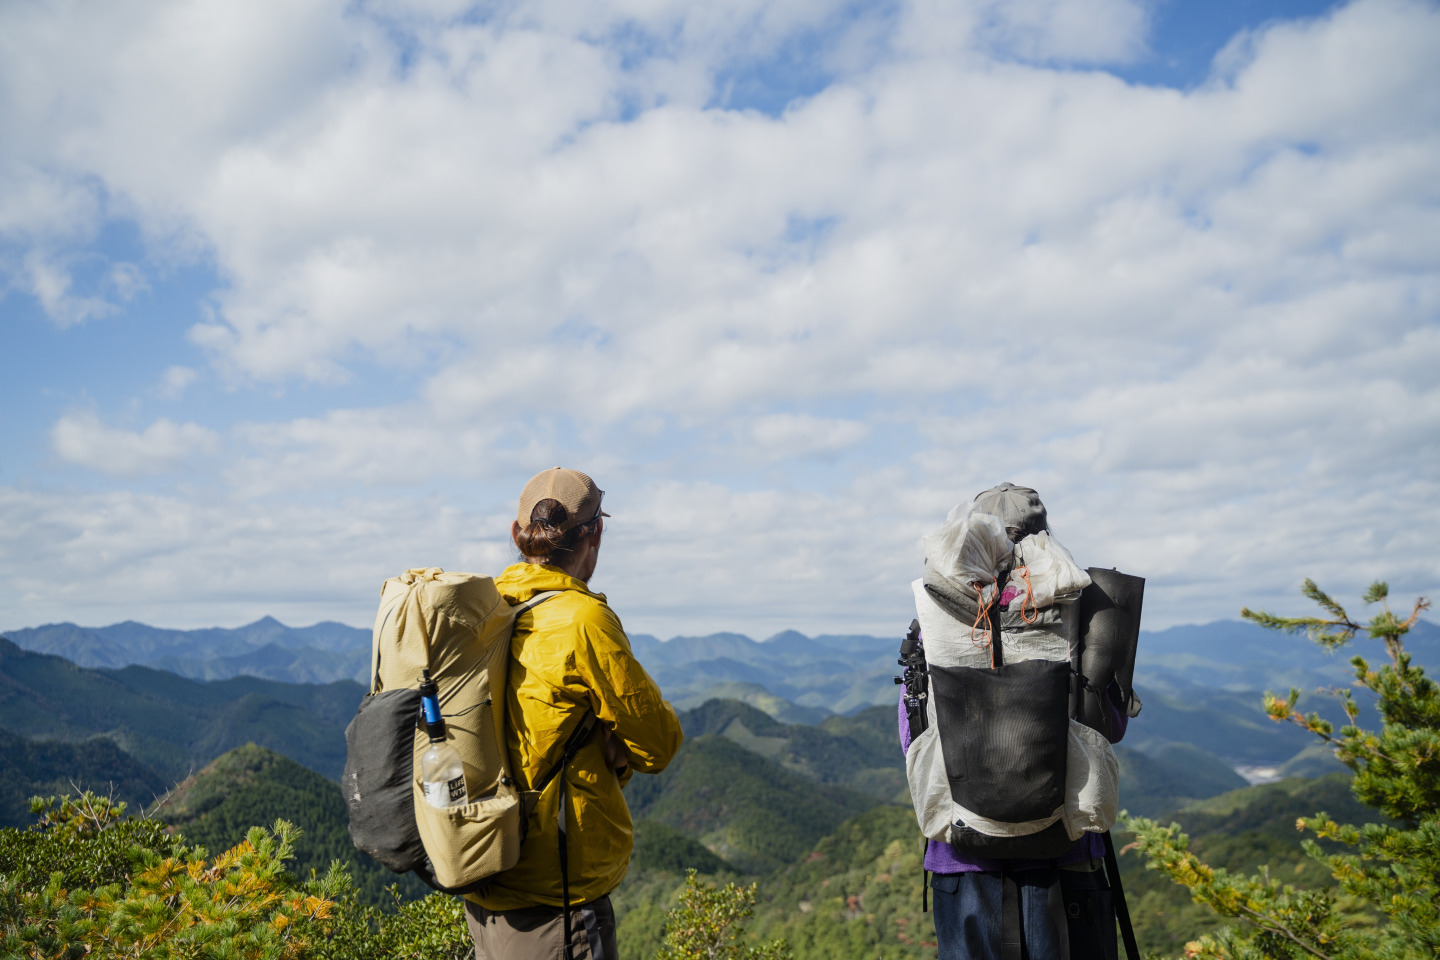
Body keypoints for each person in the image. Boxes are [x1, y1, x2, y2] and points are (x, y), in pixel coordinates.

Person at [902, 483, 1130, 960]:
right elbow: (1109, 728)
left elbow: (912, 735)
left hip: (963, 860)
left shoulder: (937, 620)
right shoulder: (1074, 615)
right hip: (1064, 854)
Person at [465, 467, 684, 960]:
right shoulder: (584, 620)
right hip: (556, 900)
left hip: (485, 874)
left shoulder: (488, 607)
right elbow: (660, 744)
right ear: (596, 533)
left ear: (517, 535)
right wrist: (617, 748)